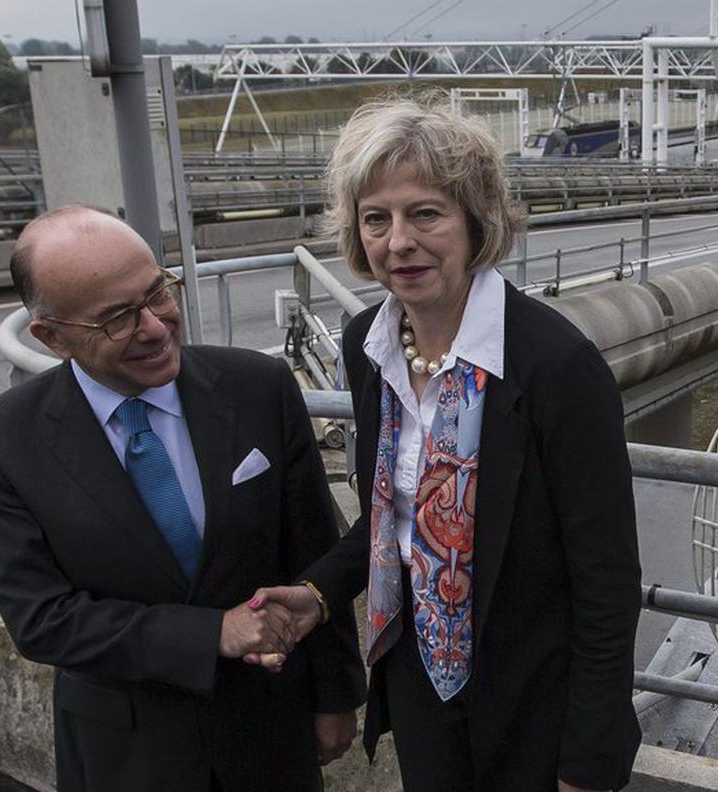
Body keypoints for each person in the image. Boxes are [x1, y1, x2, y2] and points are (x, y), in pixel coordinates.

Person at [247, 100, 643, 791]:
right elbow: (395, 517)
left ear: (475, 220)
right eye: (376, 218)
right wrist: (320, 591)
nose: (398, 241)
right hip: (421, 687)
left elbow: (606, 585)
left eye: (425, 213)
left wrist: (588, 761)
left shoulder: (554, 366)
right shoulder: (368, 343)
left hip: (532, 708)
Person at [0, 206, 366, 792]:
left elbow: (312, 548)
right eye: (116, 318)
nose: (153, 326)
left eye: (157, 294)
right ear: (52, 336)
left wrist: (336, 697)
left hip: (269, 735)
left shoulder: (260, 388)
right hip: (124, 755)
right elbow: (41, 619)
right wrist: (209, 634)